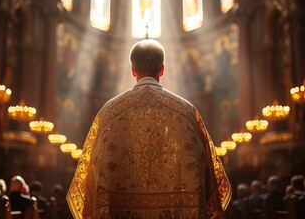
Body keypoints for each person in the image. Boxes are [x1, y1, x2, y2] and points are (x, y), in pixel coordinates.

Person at [67, 39, 232, 218]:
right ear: (162, 69)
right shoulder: (187, 112)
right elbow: (208, 172)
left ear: (132, 70)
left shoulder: (109, 112)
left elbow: (91, 171)